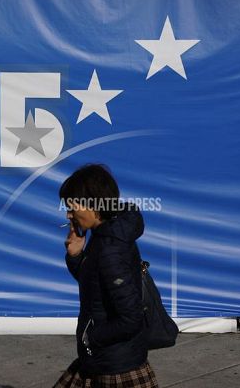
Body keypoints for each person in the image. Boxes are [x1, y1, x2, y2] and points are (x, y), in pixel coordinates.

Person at [53, 164, 158, 388]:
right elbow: (95, 287)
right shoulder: (104, 237)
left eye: (72, 206)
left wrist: (91, 337)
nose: (69, 214)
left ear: (94, 205)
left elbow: (131, 319)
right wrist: (76, 256)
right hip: (104, 360)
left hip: (116, 369)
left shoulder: (109, 248)